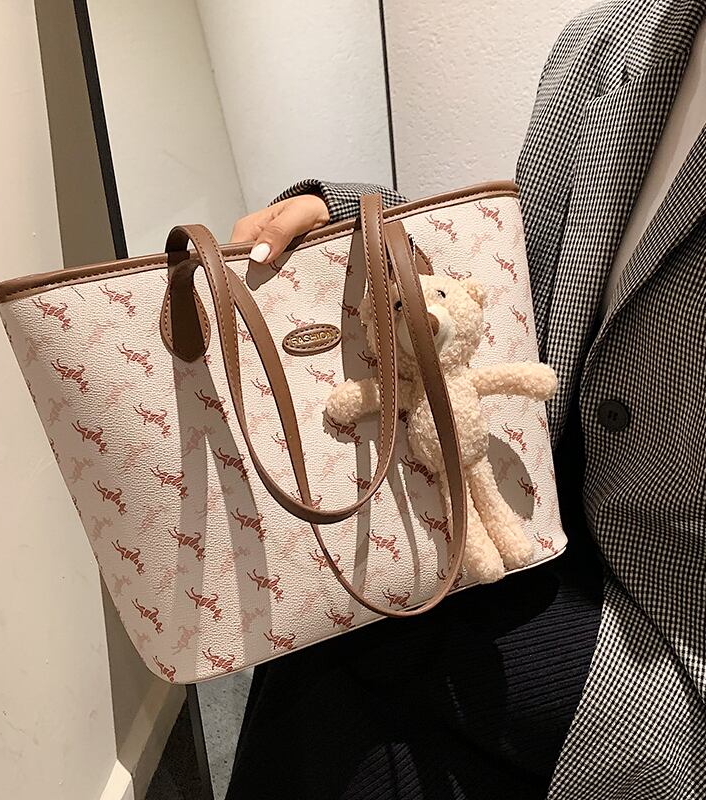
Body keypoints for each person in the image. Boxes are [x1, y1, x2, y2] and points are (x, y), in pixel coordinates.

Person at [224, 1, 706, 798]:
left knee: (355, 649)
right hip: (536, 510)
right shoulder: (606, 44)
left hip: (671, 616)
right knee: (329, 622)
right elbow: (516, 281)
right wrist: (355, 222)